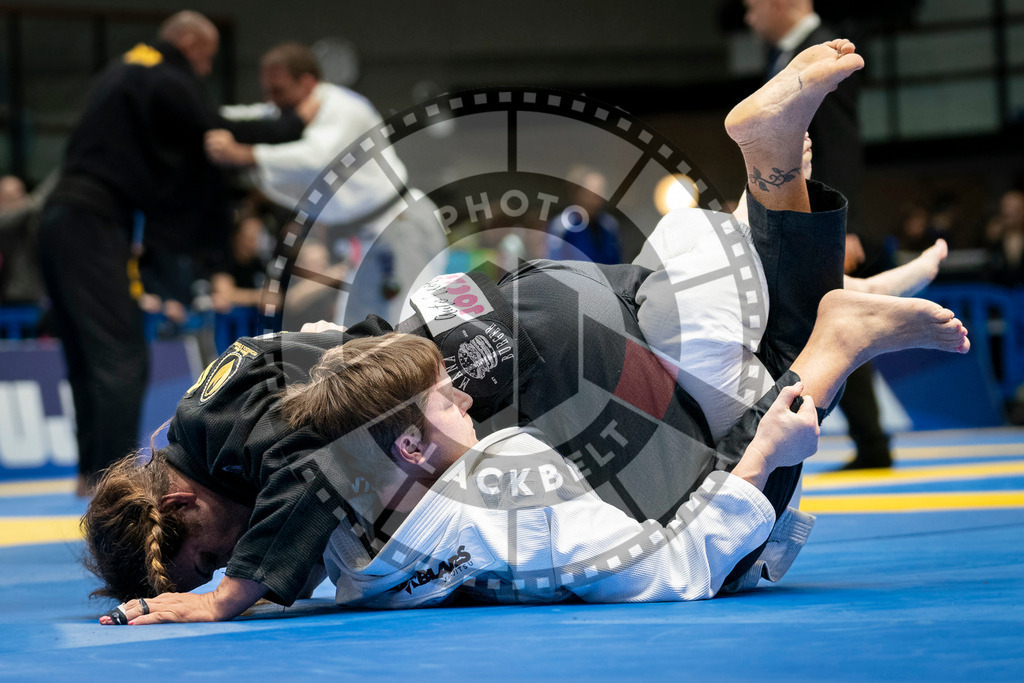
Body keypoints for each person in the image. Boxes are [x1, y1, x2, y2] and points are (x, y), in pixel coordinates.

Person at [89, 41, 959, 624]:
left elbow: (312, 463)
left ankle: (829, 327)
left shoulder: (257, 445)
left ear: (180, 504)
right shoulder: (215, 398)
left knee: (736, 449)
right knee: (712, 332)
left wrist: (230, 596)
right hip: (520, 311)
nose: (224, 559)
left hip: (528, 363)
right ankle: (774, 185)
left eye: (204, 556)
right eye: (214, 570)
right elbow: (330, 374)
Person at [36, 12, 311, 496]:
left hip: (59, 218)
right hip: (92, 221)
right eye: (205, 58)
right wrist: (289, 126)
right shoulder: (163, 75)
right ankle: (112, 482)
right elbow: (213, 129)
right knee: (121, 354)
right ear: (189, 43)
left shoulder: (125, 68)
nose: (205, 71)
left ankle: (90, 473)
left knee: (85, 354)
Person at [204, 43, 448, 325]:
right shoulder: (288, 114)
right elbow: (245, 117)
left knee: (410, 323)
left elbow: (318, 157)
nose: (272, 100)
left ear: (307, 82)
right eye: (267, 91)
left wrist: (245, 154)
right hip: (360, 236)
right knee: (357, 328)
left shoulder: (344, 107)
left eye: (278, 90)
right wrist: (197, 115)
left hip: (400, 225)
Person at [547, 167, 622, 265]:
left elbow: (617, 264)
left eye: (601, 193)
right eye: (592, 195)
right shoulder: (563, 226)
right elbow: (555, 265)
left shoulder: (610, 226)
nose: (597, 200)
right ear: (577, 194)